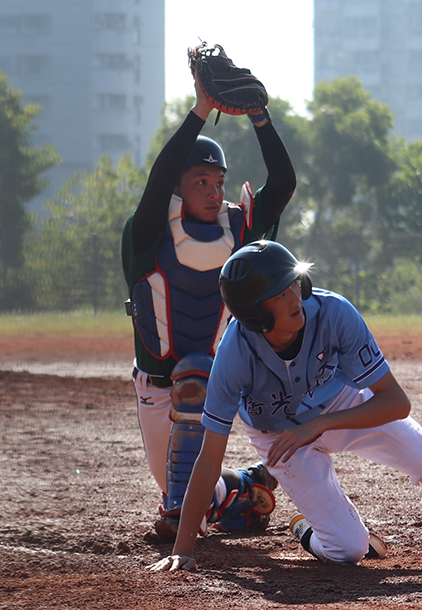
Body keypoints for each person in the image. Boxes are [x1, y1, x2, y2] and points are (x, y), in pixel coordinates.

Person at [148, 240, 422, 571]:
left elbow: (396, 402)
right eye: (280, 292)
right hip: (277, 435)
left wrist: (320, 424)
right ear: (256, 316)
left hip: (341, 404)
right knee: (348, 550)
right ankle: (308, 529)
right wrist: (184, 549)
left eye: (294, 283)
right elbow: (209, 457)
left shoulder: (333, 312)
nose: (294, 296)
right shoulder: (234, 353)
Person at [122, 67, 296, 540]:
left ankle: (184, 510)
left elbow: (281, 185)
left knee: (197, 375)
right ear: (178, 187)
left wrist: (260, 118)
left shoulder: (237, 229)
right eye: (201, 181)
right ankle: (242, 489)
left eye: (218, 181)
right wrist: (201, 110)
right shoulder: (146, 234)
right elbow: (159, 178)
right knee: (205, 502)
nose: (215, 190)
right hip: (155, 390)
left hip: (212, 386)